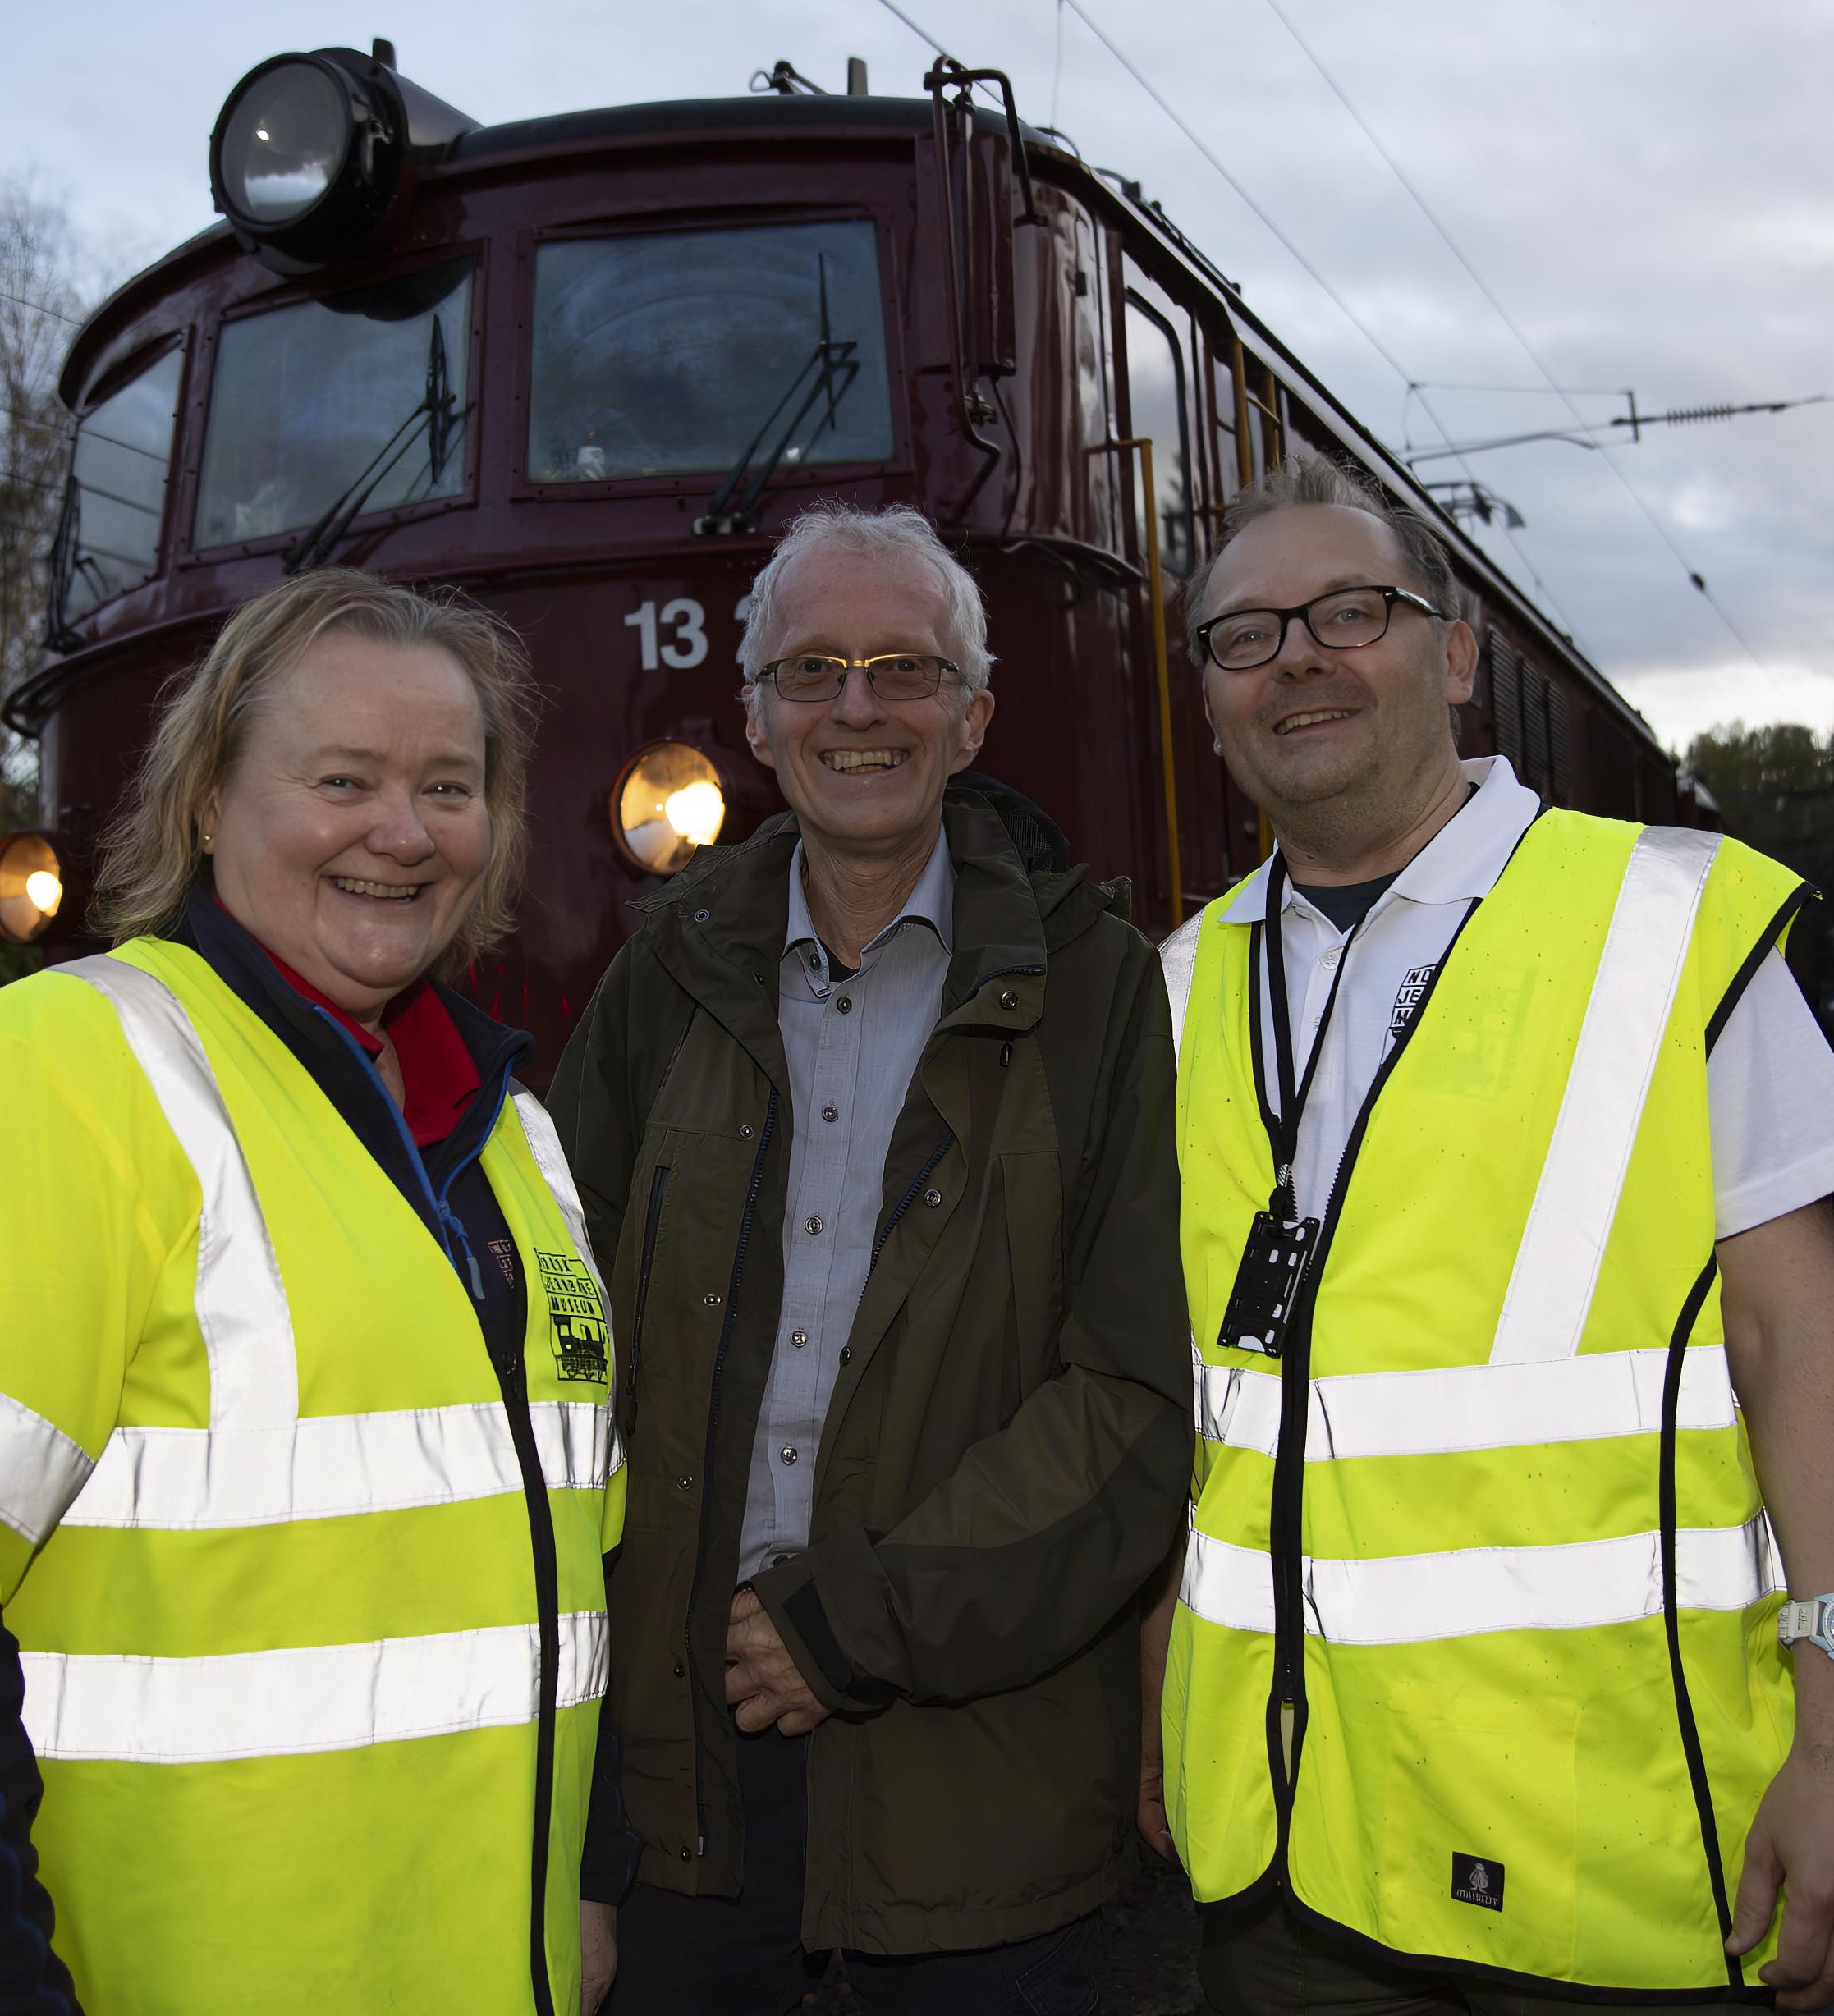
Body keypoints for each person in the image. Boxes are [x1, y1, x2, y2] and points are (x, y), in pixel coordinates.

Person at [0, 570, 631, 2014]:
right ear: (206, 803)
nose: (401, 831)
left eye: (449, 784)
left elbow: (567, 1576)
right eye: (342, 779)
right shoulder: (58, 1075)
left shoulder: (514, 1145)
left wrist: (587, 1885)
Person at [1153, 458, 1834, 2014]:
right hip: (1295, 1848)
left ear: (1452, 654)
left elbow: (1798, 1336)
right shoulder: (1178, 987)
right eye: (1244, 637)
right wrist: (1163, 1679)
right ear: (1213, 702)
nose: (1297, 657)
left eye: (1347, 612)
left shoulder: (1663, 926)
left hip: (1617, 1840)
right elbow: (1204, 1395)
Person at [552, 503, 1186, 2014]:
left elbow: (1139, 1398)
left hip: (983, 1793)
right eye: (815, 671)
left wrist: (852, 1624)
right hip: (687, 1785)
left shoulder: (1101, 988)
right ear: (760, 716)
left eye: (903, 669)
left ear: (971, 718)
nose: (858, 709)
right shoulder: (660, 983)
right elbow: (561, 1354)